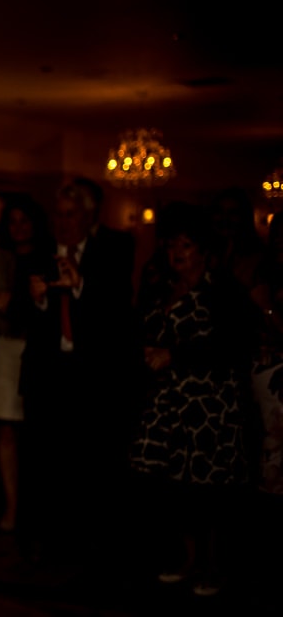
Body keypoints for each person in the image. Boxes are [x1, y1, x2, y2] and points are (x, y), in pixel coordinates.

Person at [128, 201, 255, 597]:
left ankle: (213, 566)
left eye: (185, 245)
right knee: (172, 487)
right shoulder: (161, 289)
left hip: (210, 404)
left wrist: (177, 355)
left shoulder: (222, 291)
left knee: (208, 489)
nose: (176, 253)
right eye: (172, 245)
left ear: (203, 249)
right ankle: (187, 558)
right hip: (168, 402)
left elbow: (235, 344)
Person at [18, 177, 136, 567]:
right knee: (48, 464)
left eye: (71, 215)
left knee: (92, 463)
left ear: (89, 216)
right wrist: (35, 301)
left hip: (93, 378)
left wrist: (81, 285)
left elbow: (118, 313)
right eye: (59, 215)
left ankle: (94, 546)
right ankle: (50, 542)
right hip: (49, 377)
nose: (63, 223)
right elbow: (24, 324)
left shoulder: (115, 249)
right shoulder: (39, 253)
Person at [0, 194, 52, 533]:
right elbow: (3, 304)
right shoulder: (2, 259)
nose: (19, 228)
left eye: (24, 220)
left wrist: (25, 306)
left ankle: (34, 507)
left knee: (36, 430)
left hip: (39, 349)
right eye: (13, 221)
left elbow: (28, 309)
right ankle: (11, 506)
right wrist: (29, 303)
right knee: (6, 430)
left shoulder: (48, 258)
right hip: (7, 350)